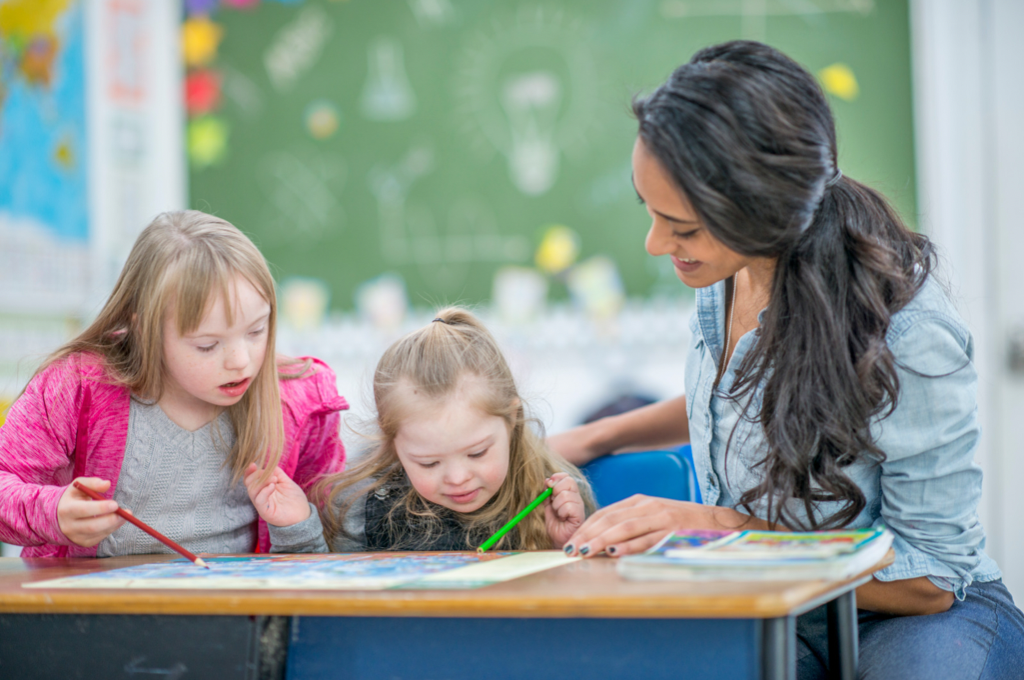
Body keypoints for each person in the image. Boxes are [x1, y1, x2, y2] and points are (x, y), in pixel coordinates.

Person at [547, 41, 1024, 678]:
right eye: (652, 213)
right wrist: (594, 436)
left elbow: (933, 577)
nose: (656, 243)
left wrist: (721, 530)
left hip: (913, 616)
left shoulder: (907, 329)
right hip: (779, 608)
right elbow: (740, 398)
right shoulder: (728, 272)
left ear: (763, 214)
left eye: (683, 228)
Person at [0, 210, 347, 558]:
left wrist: (298, 526)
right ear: (145, 330)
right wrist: (54, 513)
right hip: (90, 610)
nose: (241, 360)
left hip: (239, 610)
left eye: (256, 330)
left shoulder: (303, 399)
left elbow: (330, 547)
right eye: (207, 345)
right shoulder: (78, 385)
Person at [246, 307, 593, 552]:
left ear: (512, 419)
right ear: (393, 442)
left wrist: (567, 546)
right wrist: (295, 529)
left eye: (477, 452)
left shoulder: (557, 496)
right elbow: (323, 605)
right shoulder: (359, 505)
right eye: (428, 463)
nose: (457, 478)